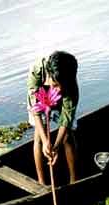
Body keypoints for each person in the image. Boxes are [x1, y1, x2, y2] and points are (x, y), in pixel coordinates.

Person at [27, 51, 78, 185]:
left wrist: (55, 146)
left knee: (68, 136)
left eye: (62, 85)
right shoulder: (36, 72)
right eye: (55, 85)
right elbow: (35, 111)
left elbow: (66, 119)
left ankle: (74, 180)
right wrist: (45, 142)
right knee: (39, 135)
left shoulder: (70, 83)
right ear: (49, 76)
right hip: (41, 97)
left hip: (63, 97)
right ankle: (41, 183)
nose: (58, 89)